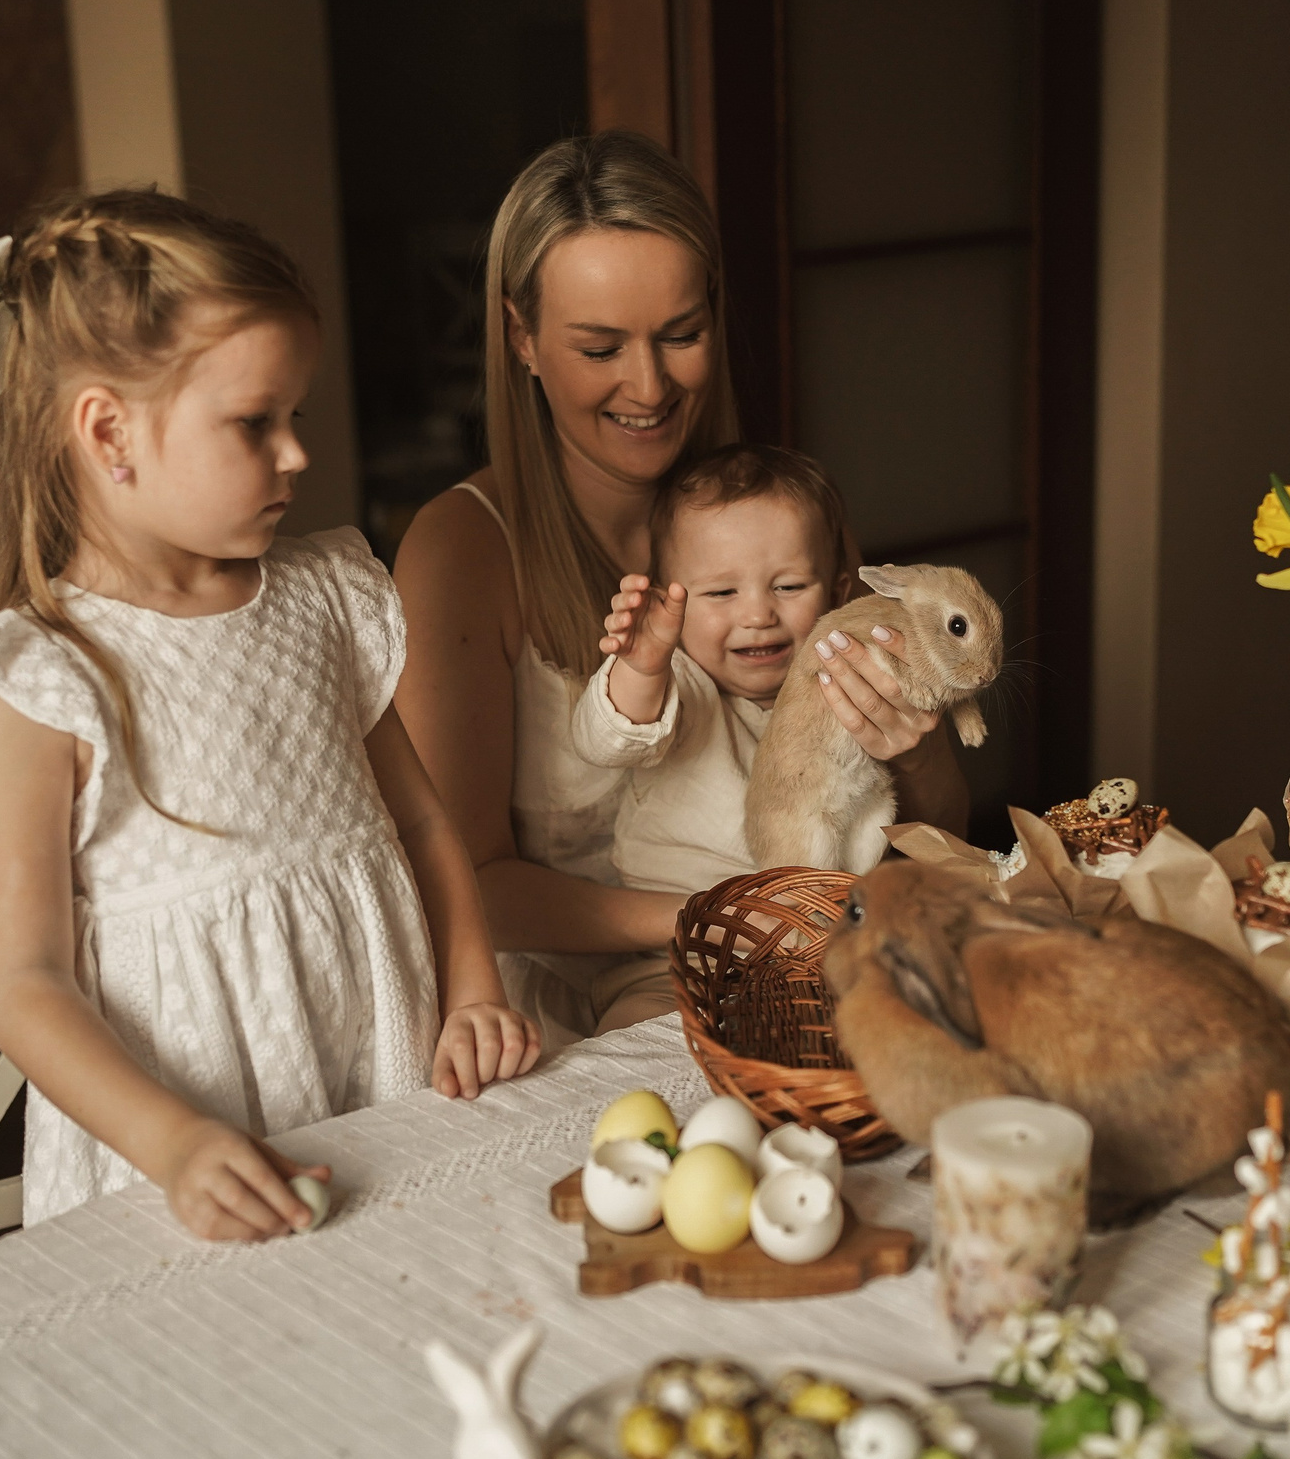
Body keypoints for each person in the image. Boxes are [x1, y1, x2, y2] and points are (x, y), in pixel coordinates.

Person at [0, 190, 538, 1275]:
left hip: (374, 1072)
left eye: (295, 415)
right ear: (109, 433)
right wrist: (173, 1140)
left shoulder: (324, 596)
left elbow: (424, 824)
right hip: (175, 1129)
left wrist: (475, 989)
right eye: (256, 423)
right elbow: (23, 985)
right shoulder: (37, 683)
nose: (295, 454)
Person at [393, 130, 969, 1039]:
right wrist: (743, 914)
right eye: (600, 347)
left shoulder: (783, 522)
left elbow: (927, 820)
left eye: (682, 334)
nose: (650, 384)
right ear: (522, 338)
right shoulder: (460, 551)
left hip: (814, 945)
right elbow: (458, 883)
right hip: (571, 1002)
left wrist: (920, 750)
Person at [570, 443, 854, 1030]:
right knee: (633, 1040)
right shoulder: (684, 685)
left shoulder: (843, 690)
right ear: (670, 599)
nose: (757, 614)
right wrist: (642, 668)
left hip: (822, 959)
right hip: (677, 961)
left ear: (840, 593)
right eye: (722, 593)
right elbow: (607, 740)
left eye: (791, 586)